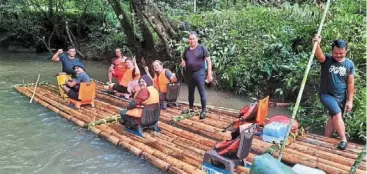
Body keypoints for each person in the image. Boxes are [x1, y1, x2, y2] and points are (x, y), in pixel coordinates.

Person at [313, 34, 355, 150]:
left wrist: (349, 100)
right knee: (337, 114)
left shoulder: (349, 64)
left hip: (341, 97)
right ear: (332, 51)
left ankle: (325, 139)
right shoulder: (328, 60)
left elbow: (350, 83)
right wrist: (316, 44)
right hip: (326, 95)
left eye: (341, 53)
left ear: (346, 51)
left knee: (332, 118)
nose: (338, 55)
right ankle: (343, 139)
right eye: (335, 53)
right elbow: (319, 56)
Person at [180, 31, 213, 119]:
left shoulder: (202, 48)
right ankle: (191, 108)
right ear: (188, 40)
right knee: (190, 92)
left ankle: (203, 110)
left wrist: (209, 74)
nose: (191, 41)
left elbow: (209, 61)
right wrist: (183, 63)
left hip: (200, 73)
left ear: (197, 39)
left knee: (202, 92)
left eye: (193, 39)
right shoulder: (186, 50)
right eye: (190, 39)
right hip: (189, 74)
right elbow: (183, 61)